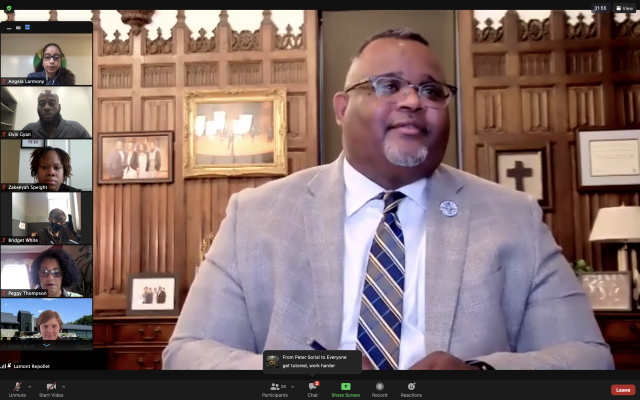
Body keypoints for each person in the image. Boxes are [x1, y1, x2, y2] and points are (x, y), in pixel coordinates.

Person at [163, 29, 614, 371]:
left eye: (432, 91)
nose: (414, 101)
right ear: (342, 108)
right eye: (389, 86)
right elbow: (187, 354)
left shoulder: (513, 216)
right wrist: (306, 374)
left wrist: (483, 374)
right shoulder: (256, 215)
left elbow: (588, 358)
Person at [22, 90, 91, 139]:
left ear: (59, 107)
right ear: (37, 108)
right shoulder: (28, 129)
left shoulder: (75, 128)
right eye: (42, 104)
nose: (46, 108)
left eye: (51, 103)